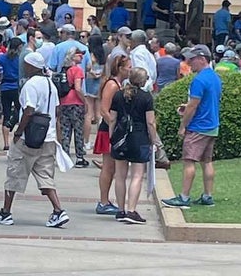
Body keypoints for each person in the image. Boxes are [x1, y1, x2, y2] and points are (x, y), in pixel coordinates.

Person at [0, 52, 69, 228]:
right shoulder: (50, 85)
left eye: (26, 64)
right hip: (48, 137)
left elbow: (29, 110)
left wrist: (18, 132)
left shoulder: (30, 85)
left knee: (14, 173)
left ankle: (5, 213)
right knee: (45, 175)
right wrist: (58, 136)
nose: (23, 67)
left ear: (32, 66)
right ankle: (58, 211)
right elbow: (57, 111)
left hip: (28, 139)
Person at [161, 45, 222, 209]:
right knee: (207, 161)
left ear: (202, 59)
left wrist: (183, 125)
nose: (189, 63)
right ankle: (208, 196)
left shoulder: (199, 80)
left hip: (198, 126)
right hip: (212, 125)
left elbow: (193, 106)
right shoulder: (215, 77)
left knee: (189, 161)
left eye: (192, 59)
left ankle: (184, 197)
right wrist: (187, 106)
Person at [108, 67, 157, 224]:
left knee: (120, 176)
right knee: (137, 176)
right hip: (139, 137)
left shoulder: (118, 95)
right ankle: (132, 210)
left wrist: (112, 138)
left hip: (120, 138)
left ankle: (120, 210)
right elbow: (150, 121)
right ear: (143, 81)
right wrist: (154, 139)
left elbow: (112, 119)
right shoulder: (146, 97)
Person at [93, 55, 131, 214]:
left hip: (112, 128)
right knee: (108, 167)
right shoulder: (112, 85)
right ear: (121, 68)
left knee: (111, 167)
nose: (130, 69)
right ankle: (103, 201)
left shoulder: (118, 84)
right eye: (128, 67)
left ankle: (105, 200)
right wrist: (115, 127)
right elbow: (104, 109)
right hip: (108, 129)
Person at [0, 38, 23, 150]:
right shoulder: (20, 58)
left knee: (6, 113)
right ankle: (14, 127)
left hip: (5, 87)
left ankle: (6, 143)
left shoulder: (3, 57)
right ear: (19, 47)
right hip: (16, 87)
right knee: (20, 110)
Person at [59, 47, 89, 167]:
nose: (81, 56)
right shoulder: (78, 70)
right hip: (76, 103)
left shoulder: (64, 70)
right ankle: (79, 157)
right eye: (79, 55)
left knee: (65, 130)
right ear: (72, 56)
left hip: (64, 101)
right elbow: (77, 88)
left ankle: (65, 156)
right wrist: (85, 101)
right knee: (78, 130)